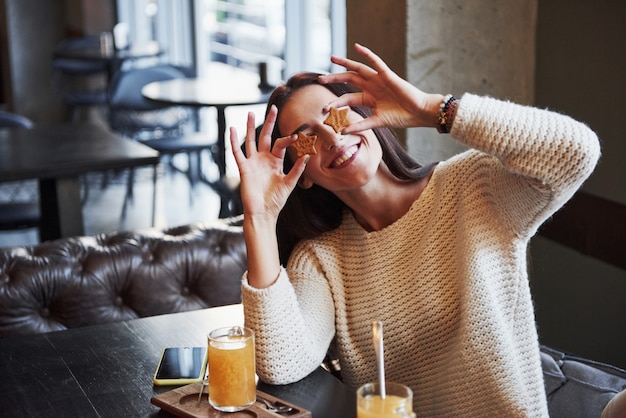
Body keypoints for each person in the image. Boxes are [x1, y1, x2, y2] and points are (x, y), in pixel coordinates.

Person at [229, 43, 600, 417]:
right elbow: (279, 362)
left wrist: (432, 110)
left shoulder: (471, 187)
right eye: (307, 139)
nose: (332, 138)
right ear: (300, 175)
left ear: (362, 110)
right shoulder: (321, 260)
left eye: (336, 115)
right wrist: (259, 216)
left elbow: (576, 153)